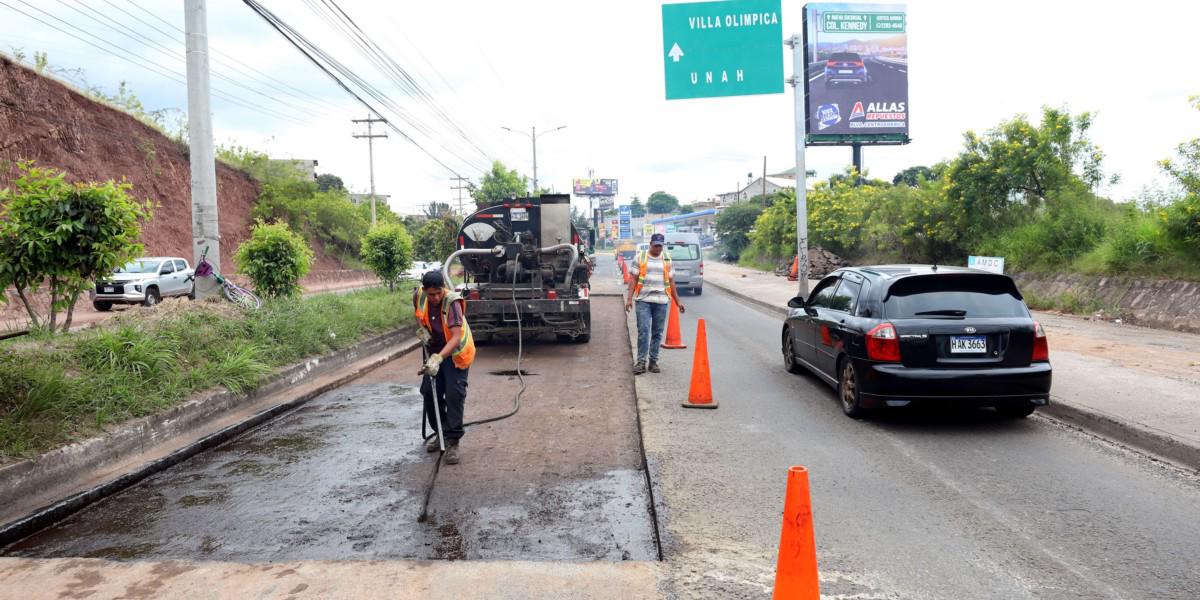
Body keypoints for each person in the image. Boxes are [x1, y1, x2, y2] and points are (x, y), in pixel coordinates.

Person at [413, 270, 475, 465]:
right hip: (435, 350)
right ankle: (441, 433)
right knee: (429, 393)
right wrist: (423, 332)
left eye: (438, 292)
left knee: (454, 394)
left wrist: (439, 358)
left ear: (443, 289)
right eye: (431, 294)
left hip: (456, 353)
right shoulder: (419, 296)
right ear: (425, 290)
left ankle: (453, 441)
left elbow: (456, 337)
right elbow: (418, 314)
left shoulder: (452, 302)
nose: (435, 297)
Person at [625, 233, 685, 375]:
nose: (658, 248)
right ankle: (641, 362)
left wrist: (678, 302)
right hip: (643, 301)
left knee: (657, 333)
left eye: (660, 245)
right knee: (643, 331)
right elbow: (633, 279)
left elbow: (671, 282)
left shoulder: (667, 259)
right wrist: (629, 299)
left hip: (661, 301)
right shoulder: (640, 258)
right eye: (655, 245)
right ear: (650, 244)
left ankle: (653, 361)